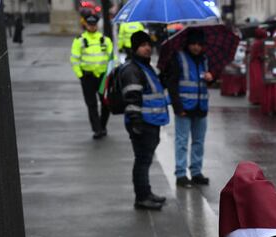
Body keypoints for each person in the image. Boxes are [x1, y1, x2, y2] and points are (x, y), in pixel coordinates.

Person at [120, 31, 170, 210]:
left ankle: (146, 193)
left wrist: (163, 77)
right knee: (142, 161)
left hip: (152, 121)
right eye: (142, 45)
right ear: (135, 48)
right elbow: (131, 98)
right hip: (142, 123)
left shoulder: (146, 67)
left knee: (145, 160)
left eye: (149, 44)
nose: (147, 48)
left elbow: (153, 90)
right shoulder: (132, 69)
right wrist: (136, 123)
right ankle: (141, 197)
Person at [164, 27, 212, 188]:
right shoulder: (179, 58)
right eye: (193, 44)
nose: (196, 47)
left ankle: (196, 172)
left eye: (199, 44)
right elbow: (172, 85)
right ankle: (181, 174)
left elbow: (206, 81)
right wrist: (178, 107)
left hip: (201, 107)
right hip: (184, 108)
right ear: (188, 44)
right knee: (182, 142)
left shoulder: (205, 59)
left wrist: (211, 77)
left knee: (198, 142)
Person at [70, 14, 113, 139]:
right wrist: (80, 75)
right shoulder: (80, 40)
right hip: (87, 77)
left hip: (103, 78)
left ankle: (102, 125)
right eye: (89, 24)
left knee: (106, 103)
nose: (92, 27)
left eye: (94, 24)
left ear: (97, 25)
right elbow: (74, 59)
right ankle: (97, 129)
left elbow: (111, 59)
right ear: (86, 25)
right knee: (91, 104)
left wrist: (109, 75)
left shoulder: (105, 40)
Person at [248, 28, 267, 105]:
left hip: (254, 63)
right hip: (257, 63)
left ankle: (255, 98)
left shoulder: (256, 42)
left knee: (255, 81)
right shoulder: (260, 43)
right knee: (258, 80)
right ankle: (258, 98)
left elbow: (253, 54)